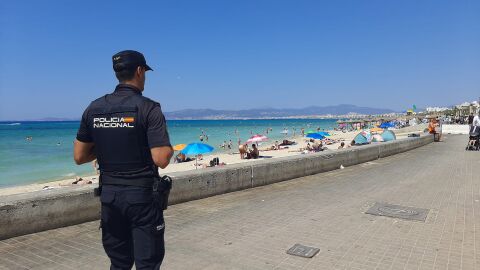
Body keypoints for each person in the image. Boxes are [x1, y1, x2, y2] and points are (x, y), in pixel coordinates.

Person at [74, 50, 174, 270]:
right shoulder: (149, 108)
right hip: (141, 198)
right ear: (139, 71)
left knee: (119, 263)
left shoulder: (94, 108)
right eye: (145, 72)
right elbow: (162, 158)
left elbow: (79, 156)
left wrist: (108, 149)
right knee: (147, 263)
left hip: (109, 198)